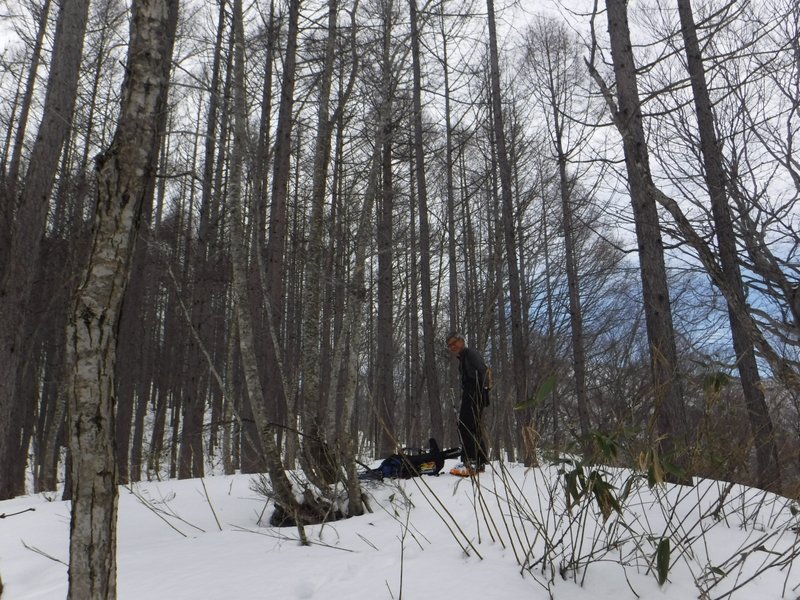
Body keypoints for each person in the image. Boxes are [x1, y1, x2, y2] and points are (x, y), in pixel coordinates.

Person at [446, 332, 489, 477]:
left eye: (454, 343)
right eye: (450, 346)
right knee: (473, 426)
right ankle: (479, 461)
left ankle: (471, 462)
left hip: (475, 392)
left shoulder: (470, 354)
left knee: (466, 426)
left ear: (461, 340)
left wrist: (480, 391)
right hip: (471, 392)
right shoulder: (463, 357)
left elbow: (484, 371)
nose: (453, 347)